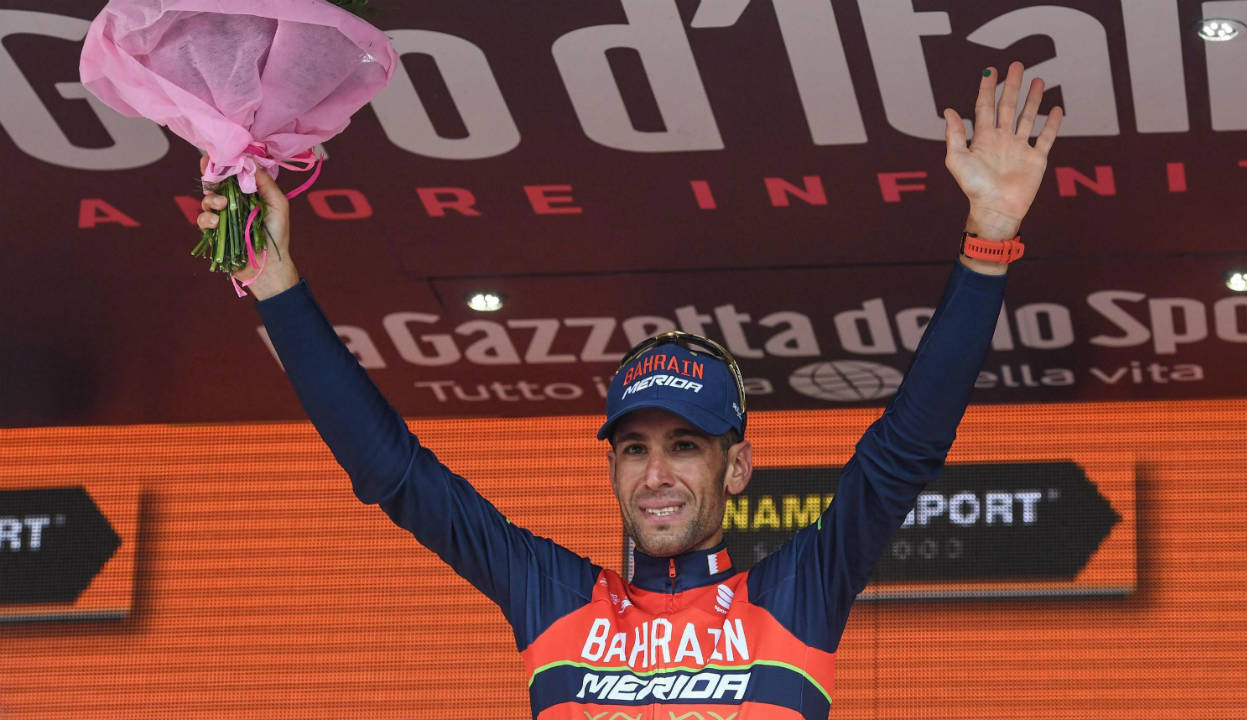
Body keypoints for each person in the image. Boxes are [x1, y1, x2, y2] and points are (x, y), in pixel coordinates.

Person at [199, 62, 1063, 718]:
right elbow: (395, 475)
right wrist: (277, 286)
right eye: (636, 447)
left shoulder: (796, 593)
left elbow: (903, 453)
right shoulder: (555, 594)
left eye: (685, 445)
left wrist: (988, 239)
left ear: (736, 468)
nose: (656, 473)